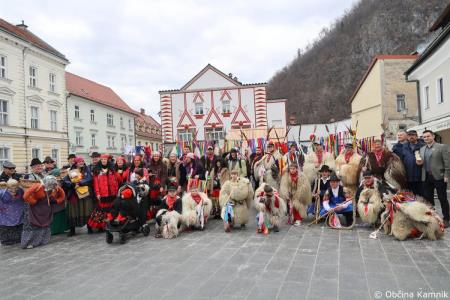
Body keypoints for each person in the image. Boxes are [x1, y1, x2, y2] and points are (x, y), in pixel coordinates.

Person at [417, 130, 450, 228]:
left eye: (428, 136)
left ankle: (447, 218)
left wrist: (446, 175)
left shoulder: (442, 147)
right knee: (428, 199)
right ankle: (432, 218)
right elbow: (422, 162)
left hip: (439, 176)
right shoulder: (422, 149)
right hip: (426, 176)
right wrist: (419, 163)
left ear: (433, 136)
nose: (426, 138)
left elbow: (447, 163)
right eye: (424, 137)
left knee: (442, 198)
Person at [21, 176, 65, 249]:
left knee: (45, 225)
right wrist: (33, 201)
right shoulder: (38, 186)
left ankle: (42, 241)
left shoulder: (55, 187)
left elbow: (62, 195)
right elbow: (25, 196)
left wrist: (56, 201)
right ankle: (29, 243)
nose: (52, 187)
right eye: (51, 185)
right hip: (35, 208)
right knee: (32, 225)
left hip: (46, 209)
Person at [62, 156, 94, 236]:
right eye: (79, 161)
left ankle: (89, 227)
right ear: (76, 163)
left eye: (82, 161)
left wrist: (81, 183)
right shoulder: (71, 171)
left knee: (87, 210)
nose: (81, 163)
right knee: (73, 211)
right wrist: (72, 184)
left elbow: (89, 179)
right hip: (74, 193)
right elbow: (65, 181)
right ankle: (72, 230)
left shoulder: (87, 170)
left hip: (85, 193)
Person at [89, 154, 119, 231]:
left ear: (107, 160)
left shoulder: (112, 169)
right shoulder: (97, 170)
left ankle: (110, 224)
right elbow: (96, 183)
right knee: (102, 210)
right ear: (100, 161)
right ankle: (101, 226)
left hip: (112, 193)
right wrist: (98, 193)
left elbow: (115, 182)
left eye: (105, 160)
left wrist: (116, 191)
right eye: (102, 160)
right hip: (102, 193)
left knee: (110, 209)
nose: (103, 161)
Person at [397, 130, 425, 196]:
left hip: (420, 175)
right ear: (407, 137)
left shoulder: (423, 146)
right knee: (411, 196)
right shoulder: (404, 146)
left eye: (413, 135)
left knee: (422, 195)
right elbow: (402, 160)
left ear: (416, 136)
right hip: (409, 176)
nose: (411, 137)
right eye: (409, 135)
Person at [0, 179, 25, 245]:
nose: (15, 188)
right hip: (6, 213)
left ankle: (17, 239)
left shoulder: (20, 190)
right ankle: (6, 241)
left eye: (16, 186)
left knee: (19, 226)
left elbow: (25, 197)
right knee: (6, 227)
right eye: (12, 186)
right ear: (7, 186)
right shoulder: (2, 193)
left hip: (18, 212)